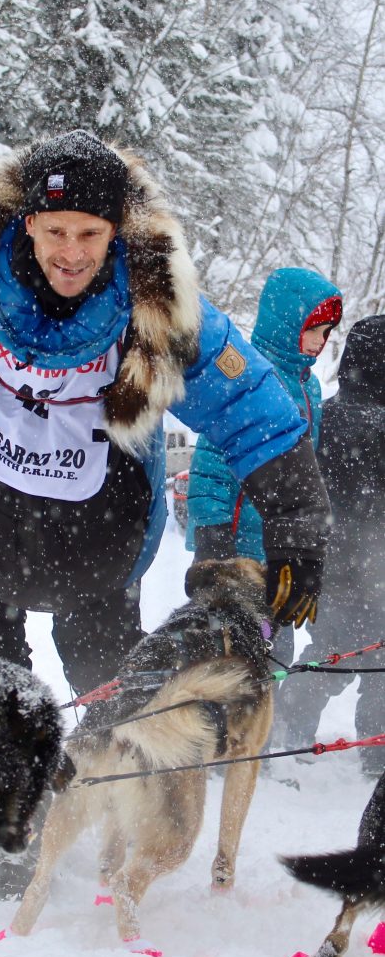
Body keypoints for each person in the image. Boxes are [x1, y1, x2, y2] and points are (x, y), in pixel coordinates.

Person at [0, 131, 332, 895]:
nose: (70, 253)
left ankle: (102, 802)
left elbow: (249, 405)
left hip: (96, 537)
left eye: (90, 234)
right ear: (25, 222)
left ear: (116, 230)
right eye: (55, 231)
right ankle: (15, 823)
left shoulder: (156, 297)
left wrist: (296, 529)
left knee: (110, 683)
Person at [186, 268, 342, 675]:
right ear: (288, 325)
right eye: (314, 330)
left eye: (327, 332)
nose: (321, 341)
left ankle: (268, 714)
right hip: (236, 543)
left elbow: (306, 464)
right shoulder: (247, 376)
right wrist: (212, 531)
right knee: (226, 649)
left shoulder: (309, 386)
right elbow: (210, 463)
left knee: (274, 648)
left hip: (277, 542)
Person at [279, 315, 385, 773]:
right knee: (379, 663)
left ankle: (292, 726)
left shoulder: (325, 412)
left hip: (327, 557)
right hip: (373, 562)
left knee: (330, 652)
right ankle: (377, 753)